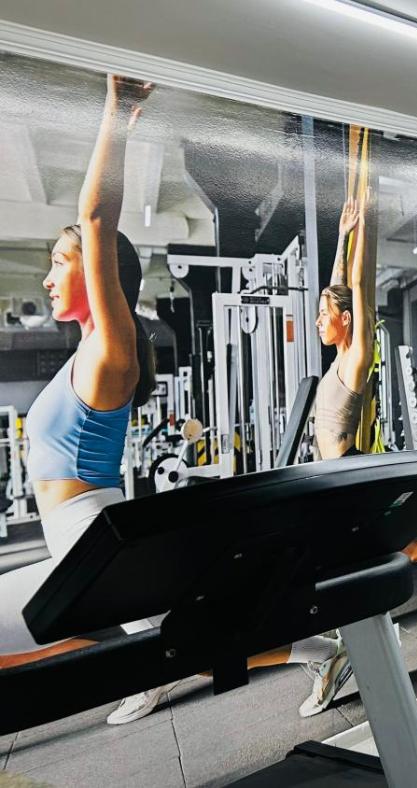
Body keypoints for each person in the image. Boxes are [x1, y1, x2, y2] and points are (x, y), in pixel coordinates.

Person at [0, 76, 163, 693]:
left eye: (58, 262)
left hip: (90, 537)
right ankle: (317, 651)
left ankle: (140, 666)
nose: (47, 278)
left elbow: (95, 219)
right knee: (178, 639)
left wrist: (117, 111)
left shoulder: (108, 353)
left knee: (181, 641)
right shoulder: (87, 356)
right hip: (83, 539)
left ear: (99, 274)